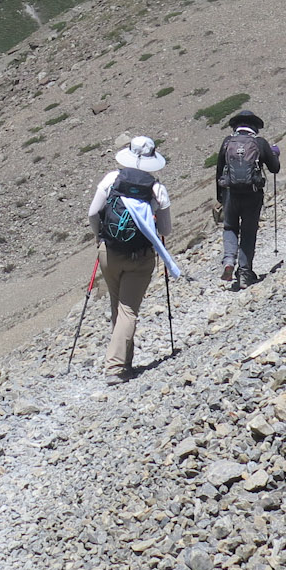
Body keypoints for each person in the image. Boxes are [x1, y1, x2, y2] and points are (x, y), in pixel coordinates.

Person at [88, 136, 172, 385]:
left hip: (109, 252)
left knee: (118, 307)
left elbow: (93, 213)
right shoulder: (157, 189)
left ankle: (125, 362)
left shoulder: (111, 180)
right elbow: (165, 230)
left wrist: (99, 236)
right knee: (128, 310)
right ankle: (115, 367)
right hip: (140, 257)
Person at [215, 109, 279, 288]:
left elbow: (219, 170)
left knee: (230, 227)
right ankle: (244, 273)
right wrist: (274, 154)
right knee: (248, 232)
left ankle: (228, 261)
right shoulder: (259, 143)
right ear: (255, 127)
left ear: (236, 126)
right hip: (252, 195)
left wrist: (220, 196)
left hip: (230, 194)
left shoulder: (227, 142)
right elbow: (274, 169)